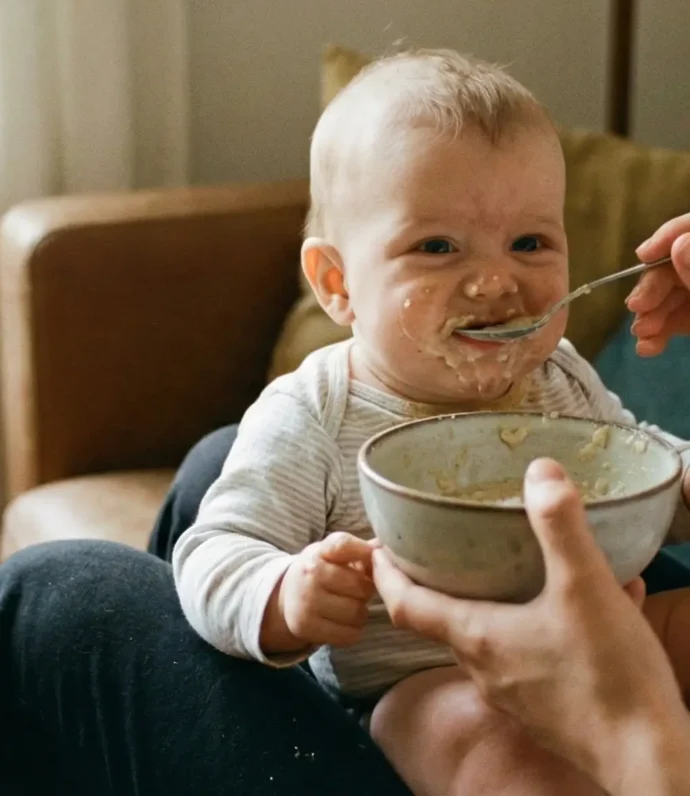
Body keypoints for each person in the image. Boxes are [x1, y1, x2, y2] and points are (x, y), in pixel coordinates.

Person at [171, 49, 690, 796]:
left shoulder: (560, 374)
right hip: (427, 676)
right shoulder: (314, 411)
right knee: (478, 737)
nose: (496, 281)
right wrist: (284, 592)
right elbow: (213, 550)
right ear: (338, 284)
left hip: (601, 643)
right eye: (437, 247)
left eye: (530, 243)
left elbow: (642, 477)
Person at [373, 456, 690, 796]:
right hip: (433, 671)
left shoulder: (582, 419)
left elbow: (654, 474)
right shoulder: (332, 437)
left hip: (602, 621)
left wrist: (684, 479)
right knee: (502, 756)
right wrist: (328, 588)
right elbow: (323, 555)